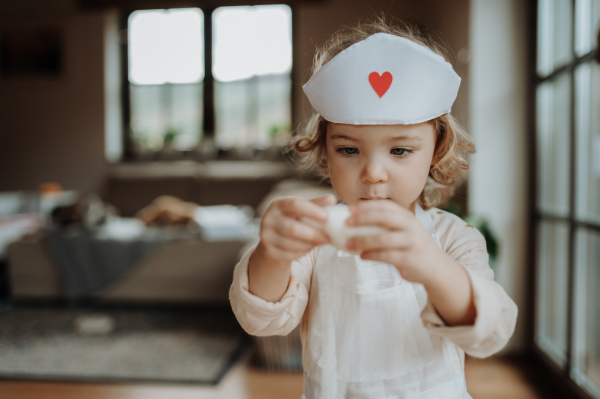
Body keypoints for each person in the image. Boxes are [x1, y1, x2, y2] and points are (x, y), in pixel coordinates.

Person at [229, 19, 517, 399]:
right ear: (325, 152)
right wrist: (272, 254)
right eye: (349, 150)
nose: (373, 173)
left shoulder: (454, 239)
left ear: (437, 149)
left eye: (399, 150)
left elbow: (490, 331)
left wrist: (433, 267)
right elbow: (261, 320)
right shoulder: (316, 243)